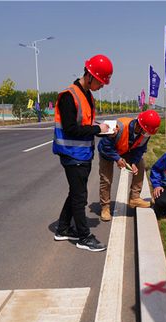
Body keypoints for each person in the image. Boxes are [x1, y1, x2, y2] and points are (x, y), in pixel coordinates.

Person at [52, 54, 113, 252]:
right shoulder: (70, 96)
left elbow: (84, 125)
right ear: (89, 75)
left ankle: (62, 229)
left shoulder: (87, 95)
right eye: (101, 82)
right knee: (80, 197)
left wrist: (104, 130)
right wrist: (98, 130)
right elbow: (71, 129)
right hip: (71, 154)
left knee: (75, 193)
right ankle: (83, 237)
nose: (102, 86)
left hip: (83, 154)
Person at [98, 109, 161, 221]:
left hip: (126, 150)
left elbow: (140, 149)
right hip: (107, 152)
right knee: (106, 179)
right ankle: (105, 207)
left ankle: (134, 198)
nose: (146, 134)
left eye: (148, 132)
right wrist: (117, 159)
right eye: (145, 131)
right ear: (139, 124)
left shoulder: (146, 133)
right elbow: (105, 147)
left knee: (140, 165)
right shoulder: (118, 126)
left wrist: (134, 163)